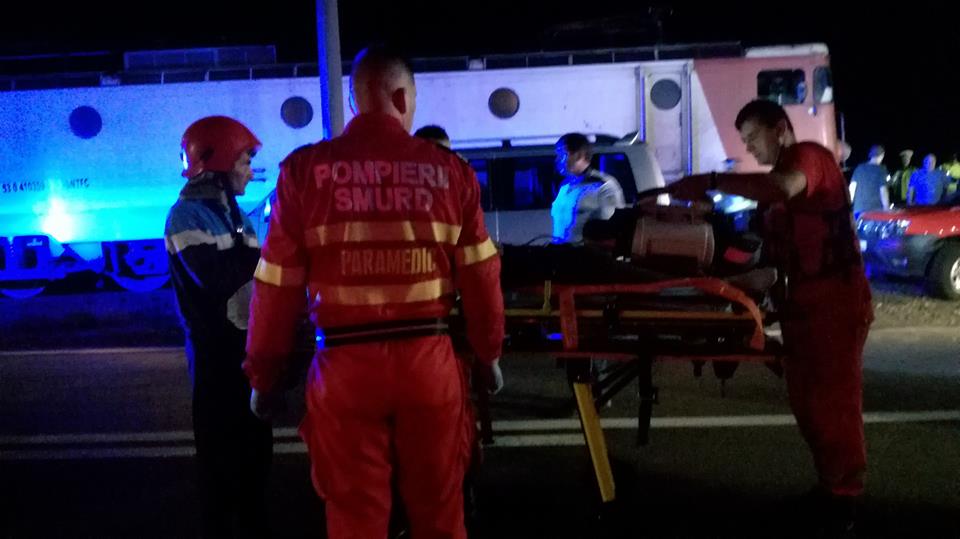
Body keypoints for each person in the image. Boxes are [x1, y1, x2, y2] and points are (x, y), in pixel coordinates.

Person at [243, 46, 504, 539]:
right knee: (440, 512)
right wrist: (489, 354)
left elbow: (275, 289)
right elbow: (481, 277)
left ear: (354, 100)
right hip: (429, 364)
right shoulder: (452, 172)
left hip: (343, 370)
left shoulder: (303, 173)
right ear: (403, 97)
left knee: (354, 517)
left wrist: (264, 375)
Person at [667, 100, 872, 535]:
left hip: (835, 304)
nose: (749, 148)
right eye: (744, 141)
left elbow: (781, 187)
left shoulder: (809, 158)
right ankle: (829, 488)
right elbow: (772, 254)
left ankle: (845, 500)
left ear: (779, 129)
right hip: (801, 307)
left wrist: (711, 181)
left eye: (752, 137)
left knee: (833, 406)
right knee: (809, 406)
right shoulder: (776, 194)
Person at [164, 115, 273, 538]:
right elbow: (214, 277)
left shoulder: (239, 215)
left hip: (246, 352)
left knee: (256, 462)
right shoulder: (185, 217)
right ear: (222, 162)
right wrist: (263, 256)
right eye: (245, 160)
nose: (250, 170)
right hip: (214, 358)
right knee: (219, 466)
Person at [550, 132, 626, 243]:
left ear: (579, 156)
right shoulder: (565, 186)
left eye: (562, 154)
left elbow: (612, 231)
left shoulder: (603, 186)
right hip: (560, 251)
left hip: (584, 252)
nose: (557, 160)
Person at [850, 145, 889, 217]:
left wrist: (849, 206)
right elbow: (883, 191)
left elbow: (852, 188)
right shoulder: (881, 169)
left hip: (858, 211)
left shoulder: (859, 168)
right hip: (875, 211)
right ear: (881, 155)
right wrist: (887, 209)